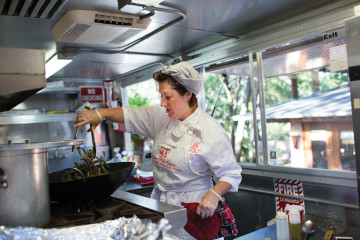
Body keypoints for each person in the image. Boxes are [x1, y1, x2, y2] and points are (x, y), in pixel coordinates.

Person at [75, 61, 242, 239]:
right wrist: (100, 114)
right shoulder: (162, 117)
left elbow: (231, 174)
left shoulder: (210, 130)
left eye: (168, 97)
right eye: (161, 96)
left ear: (187, 94)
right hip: (163, 207)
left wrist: (214, 194)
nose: (163, 103)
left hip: (196, 212)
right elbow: (130, 114)